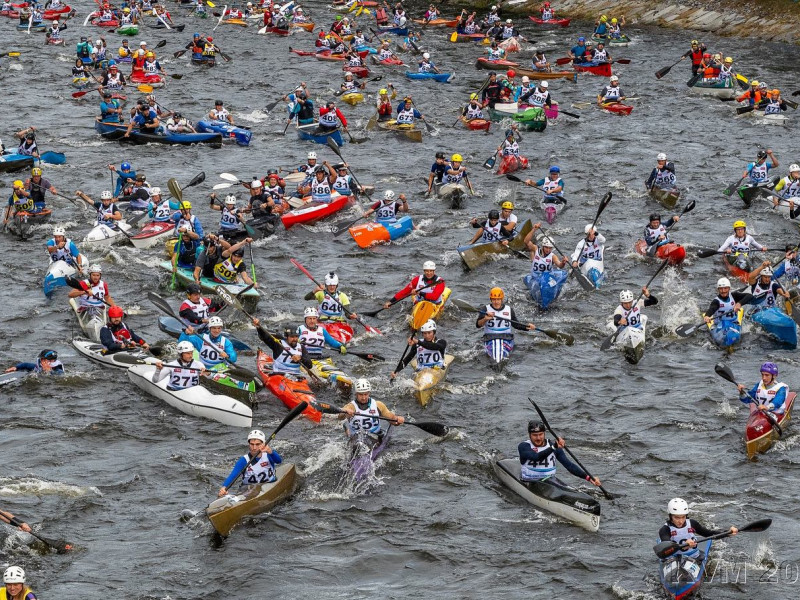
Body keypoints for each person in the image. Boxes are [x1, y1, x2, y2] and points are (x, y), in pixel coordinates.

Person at [519, 420, 602, 487]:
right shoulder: (524, 446)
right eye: (535, 435)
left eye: (541, 434)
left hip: (549, 481)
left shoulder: (553, 446)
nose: (538, 438)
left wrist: (588, 478)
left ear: (544, 433)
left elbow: (569, 466)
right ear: (529, 435)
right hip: (530, 481)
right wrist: (554, 447)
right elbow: (536, 457)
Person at [658, 498, 736, 567]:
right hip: (673, 559)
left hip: (693, 557)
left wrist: (727, 532)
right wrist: (684, 545)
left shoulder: (692, 523)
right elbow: (666, 546)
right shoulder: (665, 529)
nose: (681, 521)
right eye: (677, 518)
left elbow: (709, 534)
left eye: (683, 517)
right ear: (670, 516)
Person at [218, 429, 282, 497]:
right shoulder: (244, 460)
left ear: (263, 444)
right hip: (248, 489)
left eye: (257, 444)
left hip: (269, 484)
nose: (254, 447)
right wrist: (224, 487)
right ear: (249, 444)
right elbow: (233, 475)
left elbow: (279, 461)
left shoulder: (269, 454)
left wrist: (270, 451)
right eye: (252, 444)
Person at [476, 288, 536, 354]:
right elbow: (478, 325)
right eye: (494, 299)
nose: (496, 302)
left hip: (506, 338)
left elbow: (516, 325)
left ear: (502, 299)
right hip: (489, 338)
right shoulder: (485, 309)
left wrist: (527, 327)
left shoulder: (509, 310)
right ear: (491, 299)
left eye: (498, 299)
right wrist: (485, 319)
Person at [339, 379, 404, 437]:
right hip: (357, 437)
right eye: (361, 394)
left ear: (369, 393)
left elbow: (392, 420)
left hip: (375, 435)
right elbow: (340, 417)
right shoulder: (351, 406)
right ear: (356, 394)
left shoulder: (378, 405)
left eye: (366, 394)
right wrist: (345, 411)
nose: (363, 397)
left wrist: (398, 420)